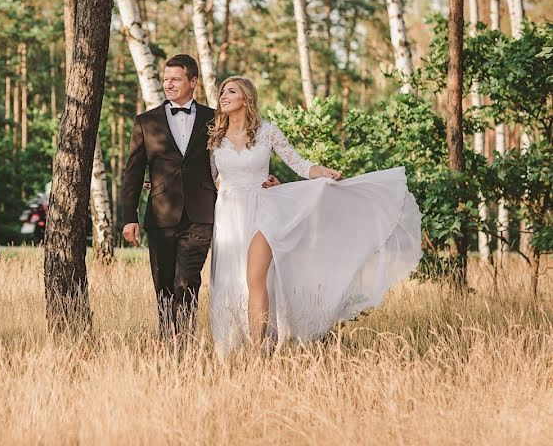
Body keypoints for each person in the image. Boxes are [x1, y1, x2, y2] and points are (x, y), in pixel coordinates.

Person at [208, 76, 423, 356]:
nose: (224, 95)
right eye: (223, 91)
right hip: (228, 214)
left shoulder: (267, 132)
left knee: (255, 280)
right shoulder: (215, 138)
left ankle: (258, 351)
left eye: (231, 91)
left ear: (246, 98)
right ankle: (231, 347)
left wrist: (322, 172)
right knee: (230, 280)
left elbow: (297, 162)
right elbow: (208, 178)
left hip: (263, 210)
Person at [121, 55, 278, 341]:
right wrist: (129, 217)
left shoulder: (214, 119)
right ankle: (170, 345)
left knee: (187, 281)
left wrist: (265, 178)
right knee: (164, 286)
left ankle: (185, 342)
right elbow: (132, 172)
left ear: (192, 81)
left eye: (175, 79)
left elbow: (243, 148)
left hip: (202, 215)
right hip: (161, 215)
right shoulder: (145, 121)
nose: (168, 84)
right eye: (165, 79)